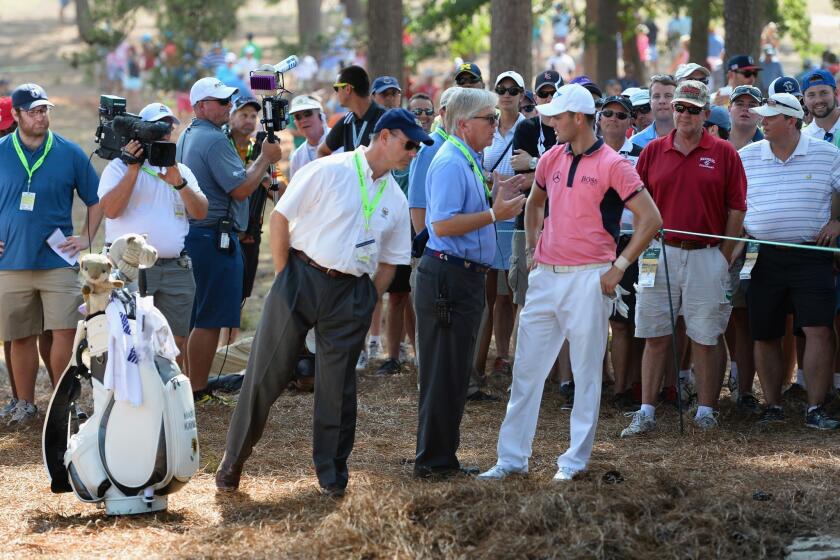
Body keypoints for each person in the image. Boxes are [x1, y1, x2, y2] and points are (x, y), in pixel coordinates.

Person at [215, 109, 425, 496]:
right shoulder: (330, 169)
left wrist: (366, 298)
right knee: (266, 375)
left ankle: (332, 477)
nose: (413, 153)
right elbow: (280, 219)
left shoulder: (395, 197)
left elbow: (392, 261)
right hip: (300, 277)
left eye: (417, 148)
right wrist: (284, 278)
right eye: (409, 144)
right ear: (385, 137)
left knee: (338, 388)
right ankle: (233, 461)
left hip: (351, 293)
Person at [477, 84, 661, 482]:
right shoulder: (551, 159)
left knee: (586, 373)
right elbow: (535, 204)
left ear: (579, 118)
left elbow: (651, 219)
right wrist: (530, 254)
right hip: (547, 276)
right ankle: (511, 459)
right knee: (526, 371)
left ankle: (573, 462)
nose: (551, 122)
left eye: (558, 117)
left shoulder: (615, 164)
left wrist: (619, 266)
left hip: (590, 279)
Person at [621, 80, 747, 436]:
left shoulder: (724, 153)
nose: (685, 115)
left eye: (693, 109)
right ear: (671, 110)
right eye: (680, 107)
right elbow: (635, 202)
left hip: (707, 255)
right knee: (655, 333)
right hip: (659, 253)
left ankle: (706, 410)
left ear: (706, 114)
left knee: (706, 336)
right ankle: (646, 411)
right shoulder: (652, 152)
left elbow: (737, 208)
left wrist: (723, 254)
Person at [413, 88, 526, 479]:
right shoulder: (449, 162)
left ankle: (441, 457)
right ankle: (433, 462)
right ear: (464, 124)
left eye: (496, 118)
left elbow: (461, 214)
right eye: (489, 118)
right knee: (444, 372)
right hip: (448, 275)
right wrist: (494, 214)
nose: (496, 125)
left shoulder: (466, 158)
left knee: (454, 372)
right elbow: (440, 224)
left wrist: (495, 197)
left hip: (460, 275)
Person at [176, 77, 283, 404]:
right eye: (219, 102)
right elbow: (239, 189)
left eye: (227, 101)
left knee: (195, 316)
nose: (226, 106)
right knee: (209, 320)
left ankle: (186, 388)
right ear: (200, 107)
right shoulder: (213, 139)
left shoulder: (189, 134)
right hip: (213, 237)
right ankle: (197, 390)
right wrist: (265, 158)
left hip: (196, 234)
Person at [0, 83, 102, 426]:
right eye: (33, 111)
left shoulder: (69, 152)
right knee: (20, 336)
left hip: (57, 262)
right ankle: (25, 405)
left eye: (44, 110)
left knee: (64, 332)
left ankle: (64, 405)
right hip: (10, 262)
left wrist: (86, 237)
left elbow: (95, 199)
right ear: (15, 115)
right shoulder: (1, 150)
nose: (41, 116)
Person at [741, 92, 840, 429]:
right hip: (762, 256)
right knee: (764, 332)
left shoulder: (828, 155)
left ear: (791, 121)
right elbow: (735, 204)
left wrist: (838, 222)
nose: (762, 121)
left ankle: (815, 408)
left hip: (811, 255)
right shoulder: (747, 156)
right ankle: (773, 406)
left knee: (818, 330)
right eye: (762, 116)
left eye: (769, 116)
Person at [97, 103, 208, 369]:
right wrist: (133, 169)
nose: (164, 134)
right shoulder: (118, 168)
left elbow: (201, 212)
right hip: (128, 269)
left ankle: (170, 401)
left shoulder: (181, 171)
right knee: (129, 340)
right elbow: (110, 210)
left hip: (175, 268)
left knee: (175, 340)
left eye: (168, 128)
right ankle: (133, 404)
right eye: (157, 127)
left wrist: (178, 182)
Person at [474, 71, 528, 381]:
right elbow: (478, 170)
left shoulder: (528, 128)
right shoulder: (488, 126)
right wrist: (497, 181)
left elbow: (535, 174)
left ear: (522, 94)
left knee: (510, 294)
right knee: (489, 293)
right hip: (489, 220)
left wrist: (502, 181)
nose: (506, 94)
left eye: (513, 90)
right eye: (502, 89)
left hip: (517, 220)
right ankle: (491, 354)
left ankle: (506, 355)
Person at [597, 95, 646, 408]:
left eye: (621, 115)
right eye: (608, 113)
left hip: (629, 242)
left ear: (631, 122)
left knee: (622, 321)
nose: (614, 119)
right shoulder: (584, 153)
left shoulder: (642, 155)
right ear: (599, 119)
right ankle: (593, 382)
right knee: (590, 319)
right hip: (591, 243)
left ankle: (622, 389)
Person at [225, 96, 282, 339]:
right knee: (219, 300)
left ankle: (228, 350)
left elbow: (281, 194)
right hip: (224, 232)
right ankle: (216, 354)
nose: (249, 120)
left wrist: (265, 176)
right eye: (243, 114)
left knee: (239, 298)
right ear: (231, 116)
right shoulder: (220, 146)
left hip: (251, 235)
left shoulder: (261, 150)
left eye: (253, 116)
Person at [318, 66, 387, 157]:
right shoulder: (346, 122)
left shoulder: (385, 118)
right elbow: (322, 151)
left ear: (347, 89)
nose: (336, 93)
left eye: (336, 88)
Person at [289, 95, 330, 179]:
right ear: (295, 123)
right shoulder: (297, 157)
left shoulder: (341, 139)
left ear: (321, 116)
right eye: (298, 117)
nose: (303, 120)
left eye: (308, 114)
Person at [630, 74, 677, 147]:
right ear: (650, 103)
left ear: (677, 101)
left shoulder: (691, 138)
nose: (662, 101)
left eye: (668, 96)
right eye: (656, 96)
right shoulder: (635, 143)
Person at [801, 69, 840, 149]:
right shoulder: (803, 138)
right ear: (804, 100)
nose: (818, 100)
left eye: (824, 93)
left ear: (835, 93)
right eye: (811, 95)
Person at [728, 85, 764, 149]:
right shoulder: (716, 140)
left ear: (761, 113)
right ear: (729, 109)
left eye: (752, 105)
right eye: (740, 104)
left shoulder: (770, 146)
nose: (745, 109)